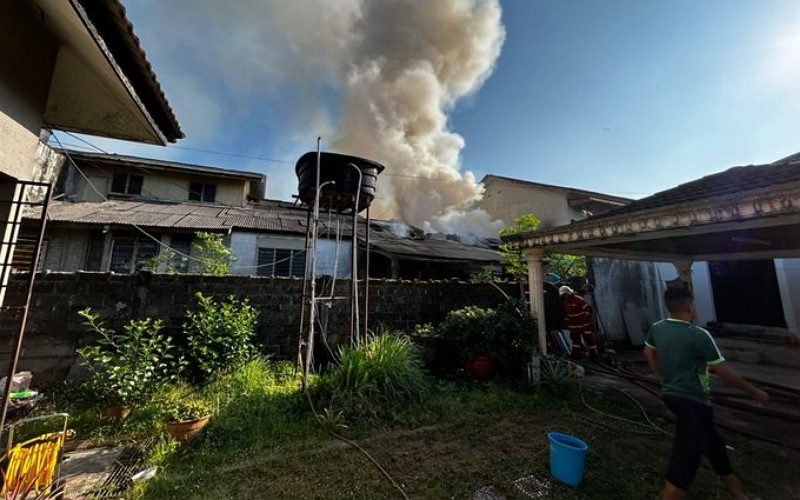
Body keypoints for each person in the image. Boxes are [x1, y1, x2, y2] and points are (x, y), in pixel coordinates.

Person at [644, 286, 768, 500]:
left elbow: (648, 352)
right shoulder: (699, 335)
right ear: (689, 307)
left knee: (714, 445)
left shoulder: (658, 328)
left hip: (672, 396)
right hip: (694, 401)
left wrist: (659, 376)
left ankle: (740, 495)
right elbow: (723, 373)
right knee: (684, 462)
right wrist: (754, 391)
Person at [559, 286, 597, 356]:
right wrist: (567, 323)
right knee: (575, 342)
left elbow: (587, 310)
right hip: (574, 327)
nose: (564, 296)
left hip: (584, 325)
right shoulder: (566, 302)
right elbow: (567, 314)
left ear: (568, 293)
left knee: (590, 340)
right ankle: (576, 354)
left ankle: (594, 354)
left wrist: (585, 320)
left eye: (565, 295)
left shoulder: (578, 300)